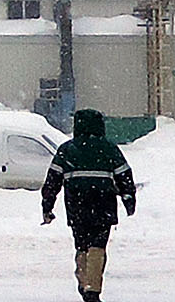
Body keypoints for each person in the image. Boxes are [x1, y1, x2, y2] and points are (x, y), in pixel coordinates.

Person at [41, 108, 137, 302]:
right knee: (98, 246)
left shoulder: (67, 149)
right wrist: (128, 198)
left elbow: (52, 180)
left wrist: (47, 205)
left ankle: (84, 281)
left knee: (82, 244)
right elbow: (124, 175)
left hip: (77, 206)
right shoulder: (109, 148)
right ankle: (93, 288)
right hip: (104, 204)